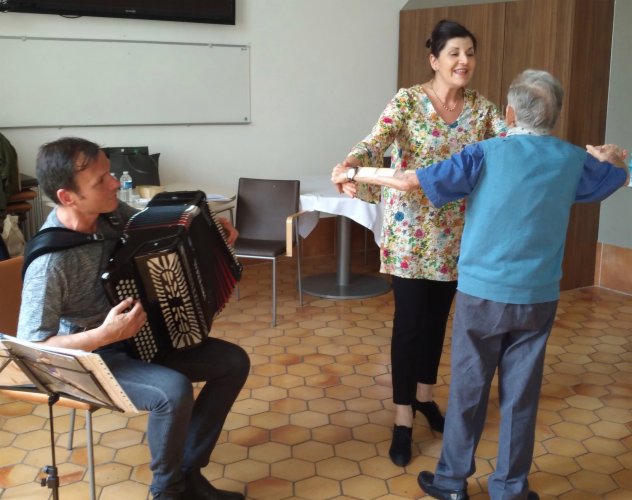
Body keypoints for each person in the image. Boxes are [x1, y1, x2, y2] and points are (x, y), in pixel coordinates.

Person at [332, 69, 629, 500]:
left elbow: (409, 180)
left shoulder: (483, 154)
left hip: (482, 295)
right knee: (521, 397)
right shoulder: (571, 160)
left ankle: (452, 482)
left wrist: (354, 172)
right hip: (538, 298)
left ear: (508, 114)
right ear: (556, 116)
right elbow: (620, 175)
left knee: (469, 390)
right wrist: (610, 157)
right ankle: (510, 488)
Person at [17, 137, 251, 500]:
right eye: (101, 181)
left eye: (110, 173)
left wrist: (212, 233)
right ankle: (167, 491)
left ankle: (188, 473)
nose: (115, 183)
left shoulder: (112, 216)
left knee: (233, 362)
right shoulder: (50, 263)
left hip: (142, 337)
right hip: (94, 358)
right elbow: (35, 348)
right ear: (68, 197)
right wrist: (103, 335)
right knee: (172, 391)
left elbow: (160, 232)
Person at [333, 19, 506, 466]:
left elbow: (512, 147)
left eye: (470, 53)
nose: (464, 61)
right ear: (434, 60)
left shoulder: (482, 110)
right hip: (409, 233)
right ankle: (402, 417)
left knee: (436, 322)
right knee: (409, 324)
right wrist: (350, 163)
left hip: (457, 235)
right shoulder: (408, 101)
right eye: (454, 53)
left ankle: (425, 398)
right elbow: (374, 143)